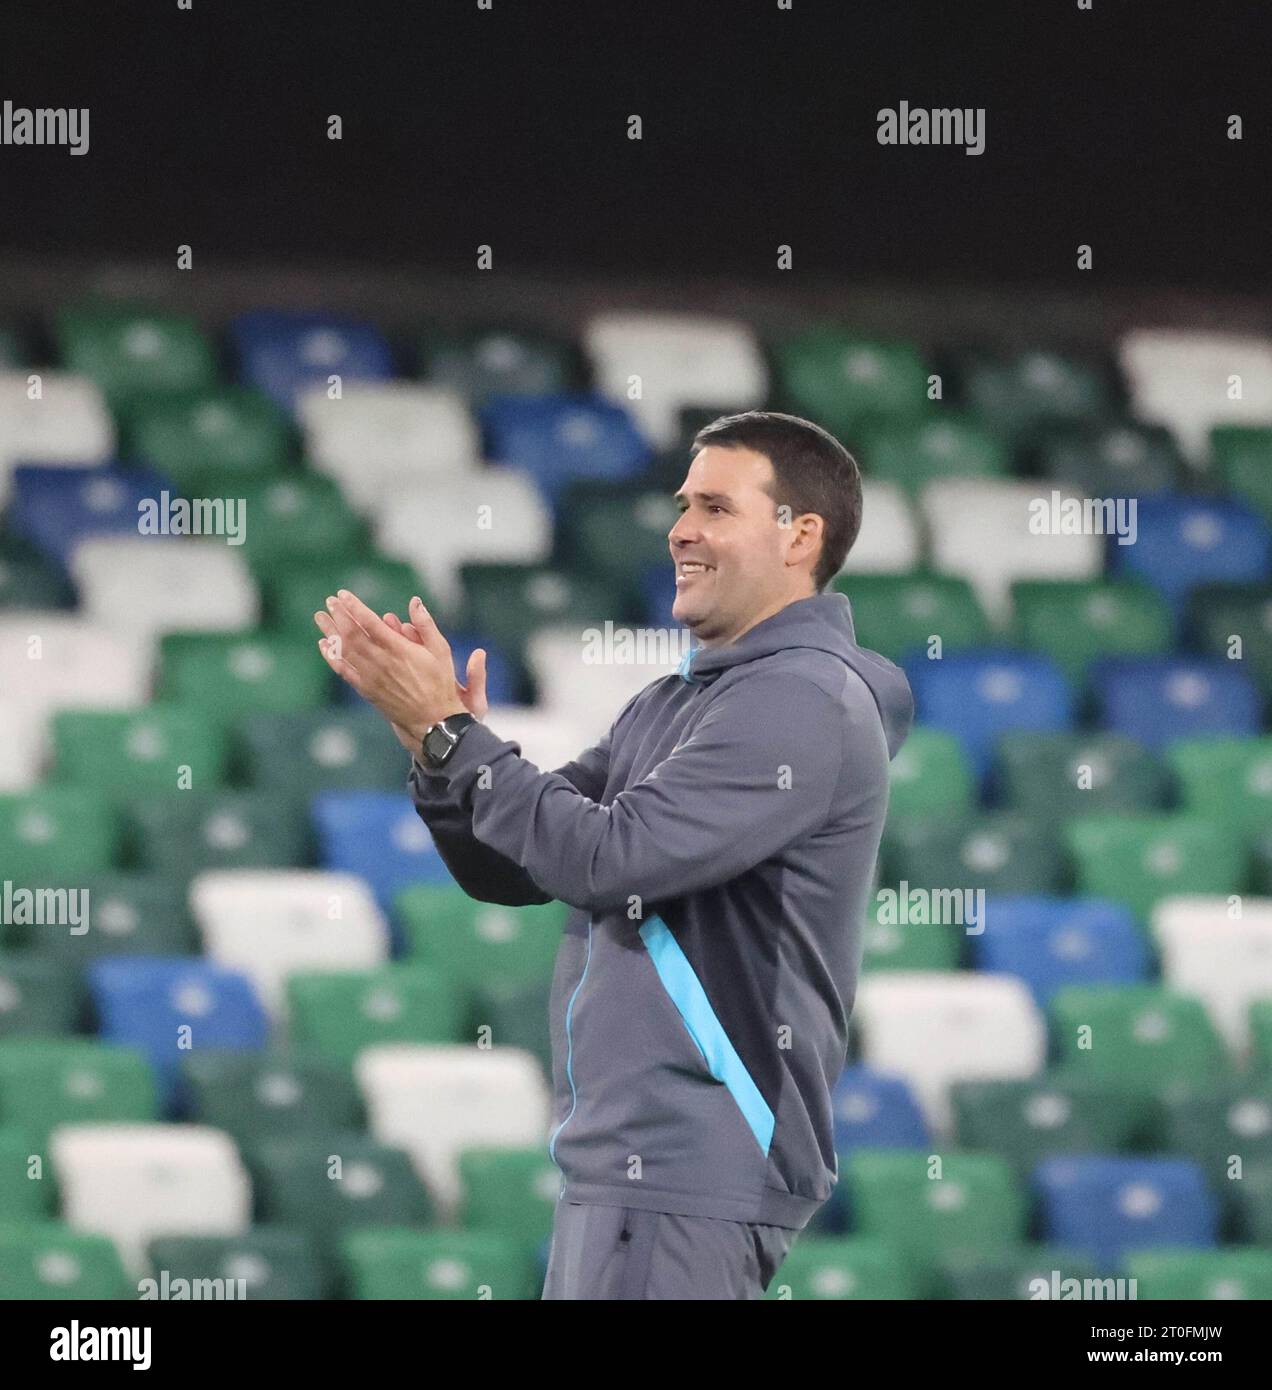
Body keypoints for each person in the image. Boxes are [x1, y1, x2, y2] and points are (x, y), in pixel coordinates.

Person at [314, 410, 913, 1299]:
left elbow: (606, 859)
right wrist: (432, 740)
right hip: (634, 1162)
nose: (680, 530)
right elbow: (520, 865)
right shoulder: (679, 701)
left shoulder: (801, 701)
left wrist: (452, 735)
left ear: (801, 536)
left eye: (715, 507)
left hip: (687, 1161)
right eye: (683, 505)